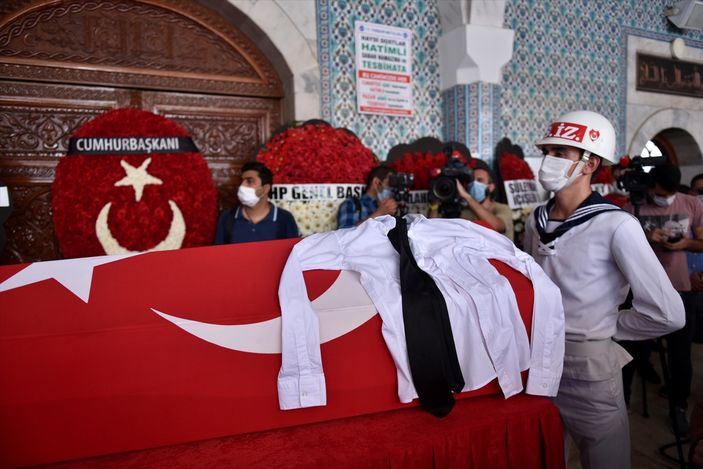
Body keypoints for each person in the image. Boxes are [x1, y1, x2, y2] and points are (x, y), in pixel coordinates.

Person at [523, 110, 685, 469]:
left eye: (560, 153)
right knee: (546, 456)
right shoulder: (537, 220)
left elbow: (669, 313)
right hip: (541, 360)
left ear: (589, 163)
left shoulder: (616, 225)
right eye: (547, 151)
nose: (548, 161)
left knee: (605, 461)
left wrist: (608, 326)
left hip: (590, 367)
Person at [624, 164, 703, 436]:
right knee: (631, 351)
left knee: (680, 353)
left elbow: (702, 242)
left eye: (669, 194)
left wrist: (684, 244)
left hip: (679, 286)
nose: (664, 198)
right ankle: (622, 402)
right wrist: (646, 237)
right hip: (639, 289)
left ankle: (678, 406)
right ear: (650, 187)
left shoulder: (692, 204)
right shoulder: (633, 207)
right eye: (659, 193)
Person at [214, 161, 298, 244]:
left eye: (249, 181)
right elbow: (218, 253)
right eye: (242, 181)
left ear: (265, 189)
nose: (242, 186)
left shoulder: (285, 219)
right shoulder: (227, 217)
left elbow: (294, 254)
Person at [428, 159, 513, 238]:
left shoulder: (503, 209)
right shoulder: (462, 211)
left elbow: (496, 226)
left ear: (491, 187)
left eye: (480, 180)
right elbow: (432, 231)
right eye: (471, 180)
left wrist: (467, 197)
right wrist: (434, 204)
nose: (474, 184)